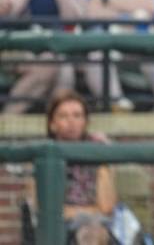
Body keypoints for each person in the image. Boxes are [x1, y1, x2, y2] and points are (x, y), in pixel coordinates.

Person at [27, 90, 118, 245]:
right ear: (52, 124)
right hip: (58, 229)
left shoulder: (96, 151)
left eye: (77, 115)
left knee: (94, 232)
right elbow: (41, 207)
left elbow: (107, 207)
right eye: (63, 116)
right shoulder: (42, 154)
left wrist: (105, 155)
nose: (71, 121)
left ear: (85, 122)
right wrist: (84, 212)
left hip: (96, 227)